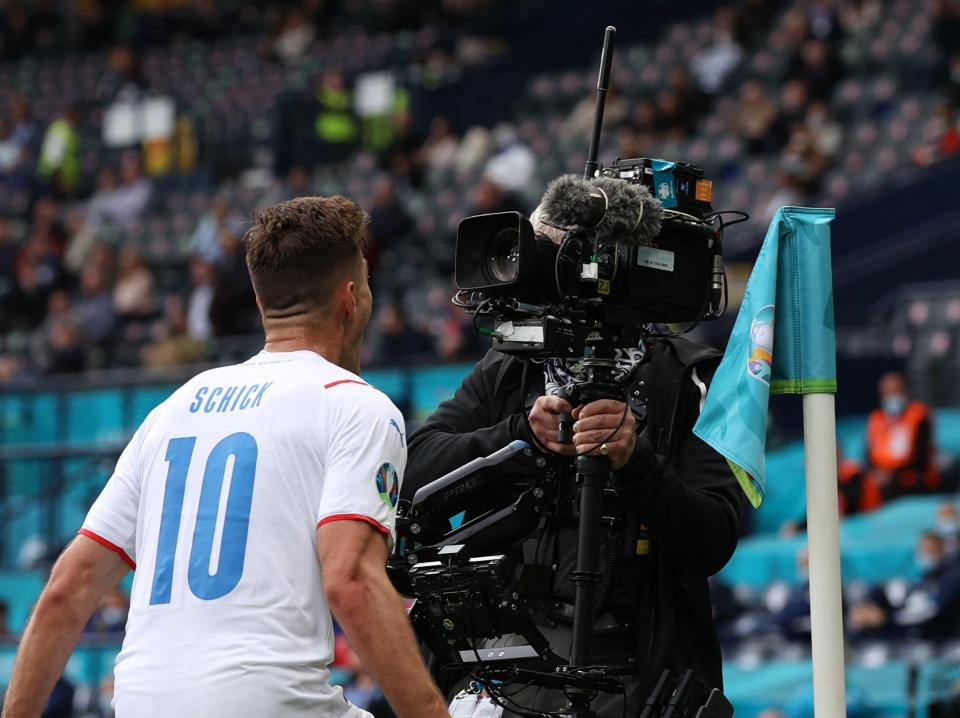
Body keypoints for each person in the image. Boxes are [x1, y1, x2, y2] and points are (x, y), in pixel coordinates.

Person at [3, 196, 448, 718]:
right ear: (352, 298)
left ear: (263, 306)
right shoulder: (355, 404)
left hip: (140, 702)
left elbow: (66, 589)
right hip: (265, 701)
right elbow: (349, 580)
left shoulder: (173, 409)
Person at [401, 205, 742, 715]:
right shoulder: (511, 368)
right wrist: (519, 437)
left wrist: (634, 462)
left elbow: (713, 537)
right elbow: (414, 466)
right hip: (501, 669)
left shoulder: (687, 379)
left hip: (627, 676)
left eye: (546, 253)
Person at [865, 371, 940, 499]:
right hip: (883, 483)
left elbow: (921, 456)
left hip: (913, 482)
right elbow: (869, 455)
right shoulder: (876, 419)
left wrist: (892, 475)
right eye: (887, 392)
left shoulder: (918, 415)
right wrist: (876, 474)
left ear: (905, 390)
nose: (891, 396)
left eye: (896, 390)